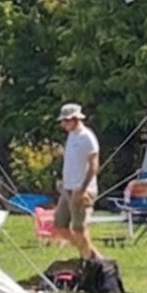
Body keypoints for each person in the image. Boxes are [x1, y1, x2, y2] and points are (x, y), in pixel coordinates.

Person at [55, 102, 101, 263]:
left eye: (67, 121)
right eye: (63, 121)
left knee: (79, 228)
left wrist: (82, 189)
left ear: (76, 119)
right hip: (67, 188)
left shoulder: (87, 137)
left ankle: (89, 260)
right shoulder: (71, 136)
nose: (64, 124)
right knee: (59, 225)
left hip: (81, 189)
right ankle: (91, 254)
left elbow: (94, 166)